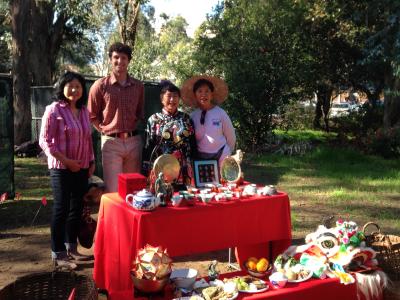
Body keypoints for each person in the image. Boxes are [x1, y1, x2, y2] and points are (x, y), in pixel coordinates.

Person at [39, 71, 95, 269]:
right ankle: (58, 253)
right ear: (62, 87)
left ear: (83, 90)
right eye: (70, 85)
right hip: (61, 168)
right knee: (61, 208)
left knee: (76, 208)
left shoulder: (84, 111)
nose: (74, 89)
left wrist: (91, 161)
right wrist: (67, 161)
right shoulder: (53, 109)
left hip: (81, 167)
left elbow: (88, 139)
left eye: (78, 86)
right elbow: (44, 141)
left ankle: (72, 249)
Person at [88, 42, 144, 192]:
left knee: (133, 189)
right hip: (111, 143)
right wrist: (105, 131)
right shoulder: (99, 86)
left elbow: (139, 113)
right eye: (116, 57)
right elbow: (92, 115)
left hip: (134, 142)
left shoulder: (139, 86)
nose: (120, 61)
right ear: (110, 59)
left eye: (124, 58)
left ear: (129, 60)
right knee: (113, 190)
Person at [142, 80, 196, 186]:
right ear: (162, 99)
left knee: (184, 198)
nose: (172, 99)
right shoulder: (153, 119)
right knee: (162, 197)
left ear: (179, 99)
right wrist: (146, 172)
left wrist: (194, 166)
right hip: (161, 167)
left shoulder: (186, 118)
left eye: (175, 96)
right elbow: (148, 147)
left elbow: (192, 143)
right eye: (169, 96)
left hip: (184, 167)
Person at [181, 75, 236, 166]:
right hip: (200, 160)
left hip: (221, 156)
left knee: (222, 181)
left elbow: (231, 137)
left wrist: (227, 153)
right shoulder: (192, 116)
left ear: (212, 94)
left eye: (207, 91)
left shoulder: (220, 113)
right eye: (200, 91)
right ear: (195, 94)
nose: (204, 94)